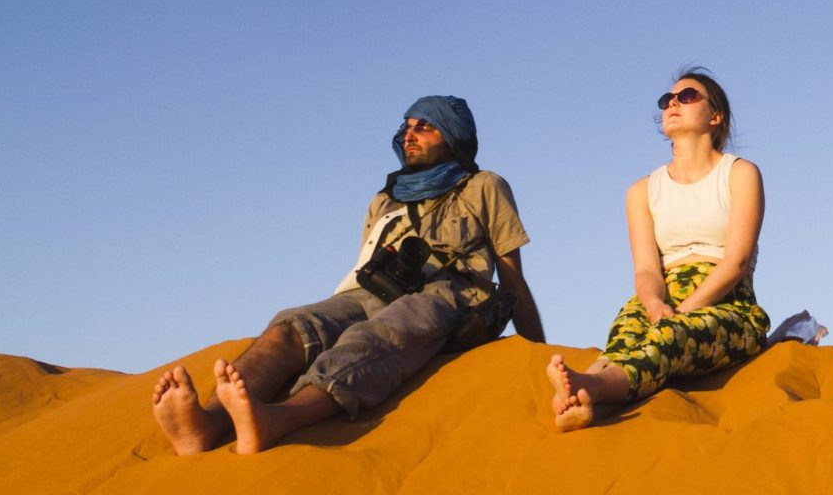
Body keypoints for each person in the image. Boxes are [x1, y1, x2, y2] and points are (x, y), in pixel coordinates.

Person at [149, 96, 544, 454]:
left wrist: (536, 359)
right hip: (368, 291)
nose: (410, 135)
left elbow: (512, 276)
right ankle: (207, 424)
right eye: (406, 127)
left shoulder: (484, 186)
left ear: (454, 136)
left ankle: (277, 419)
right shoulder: (384, 200)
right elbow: (362, 267)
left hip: (447, 297)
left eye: (424, 126)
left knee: (374, 336)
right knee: (291, 327)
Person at [546, 69, 773, 430]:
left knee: (670, 337)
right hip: (660, 295)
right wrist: (654, 304)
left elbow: (738, 261)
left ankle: (587, 388)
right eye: (667, 100)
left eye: (687, 97)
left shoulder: (740, 173)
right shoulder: (642, 190)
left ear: (715, 117)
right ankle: (581, 398)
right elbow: (647, 270)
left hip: (727, 301)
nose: (673, 104)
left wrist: (681, 311)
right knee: (623, 336)